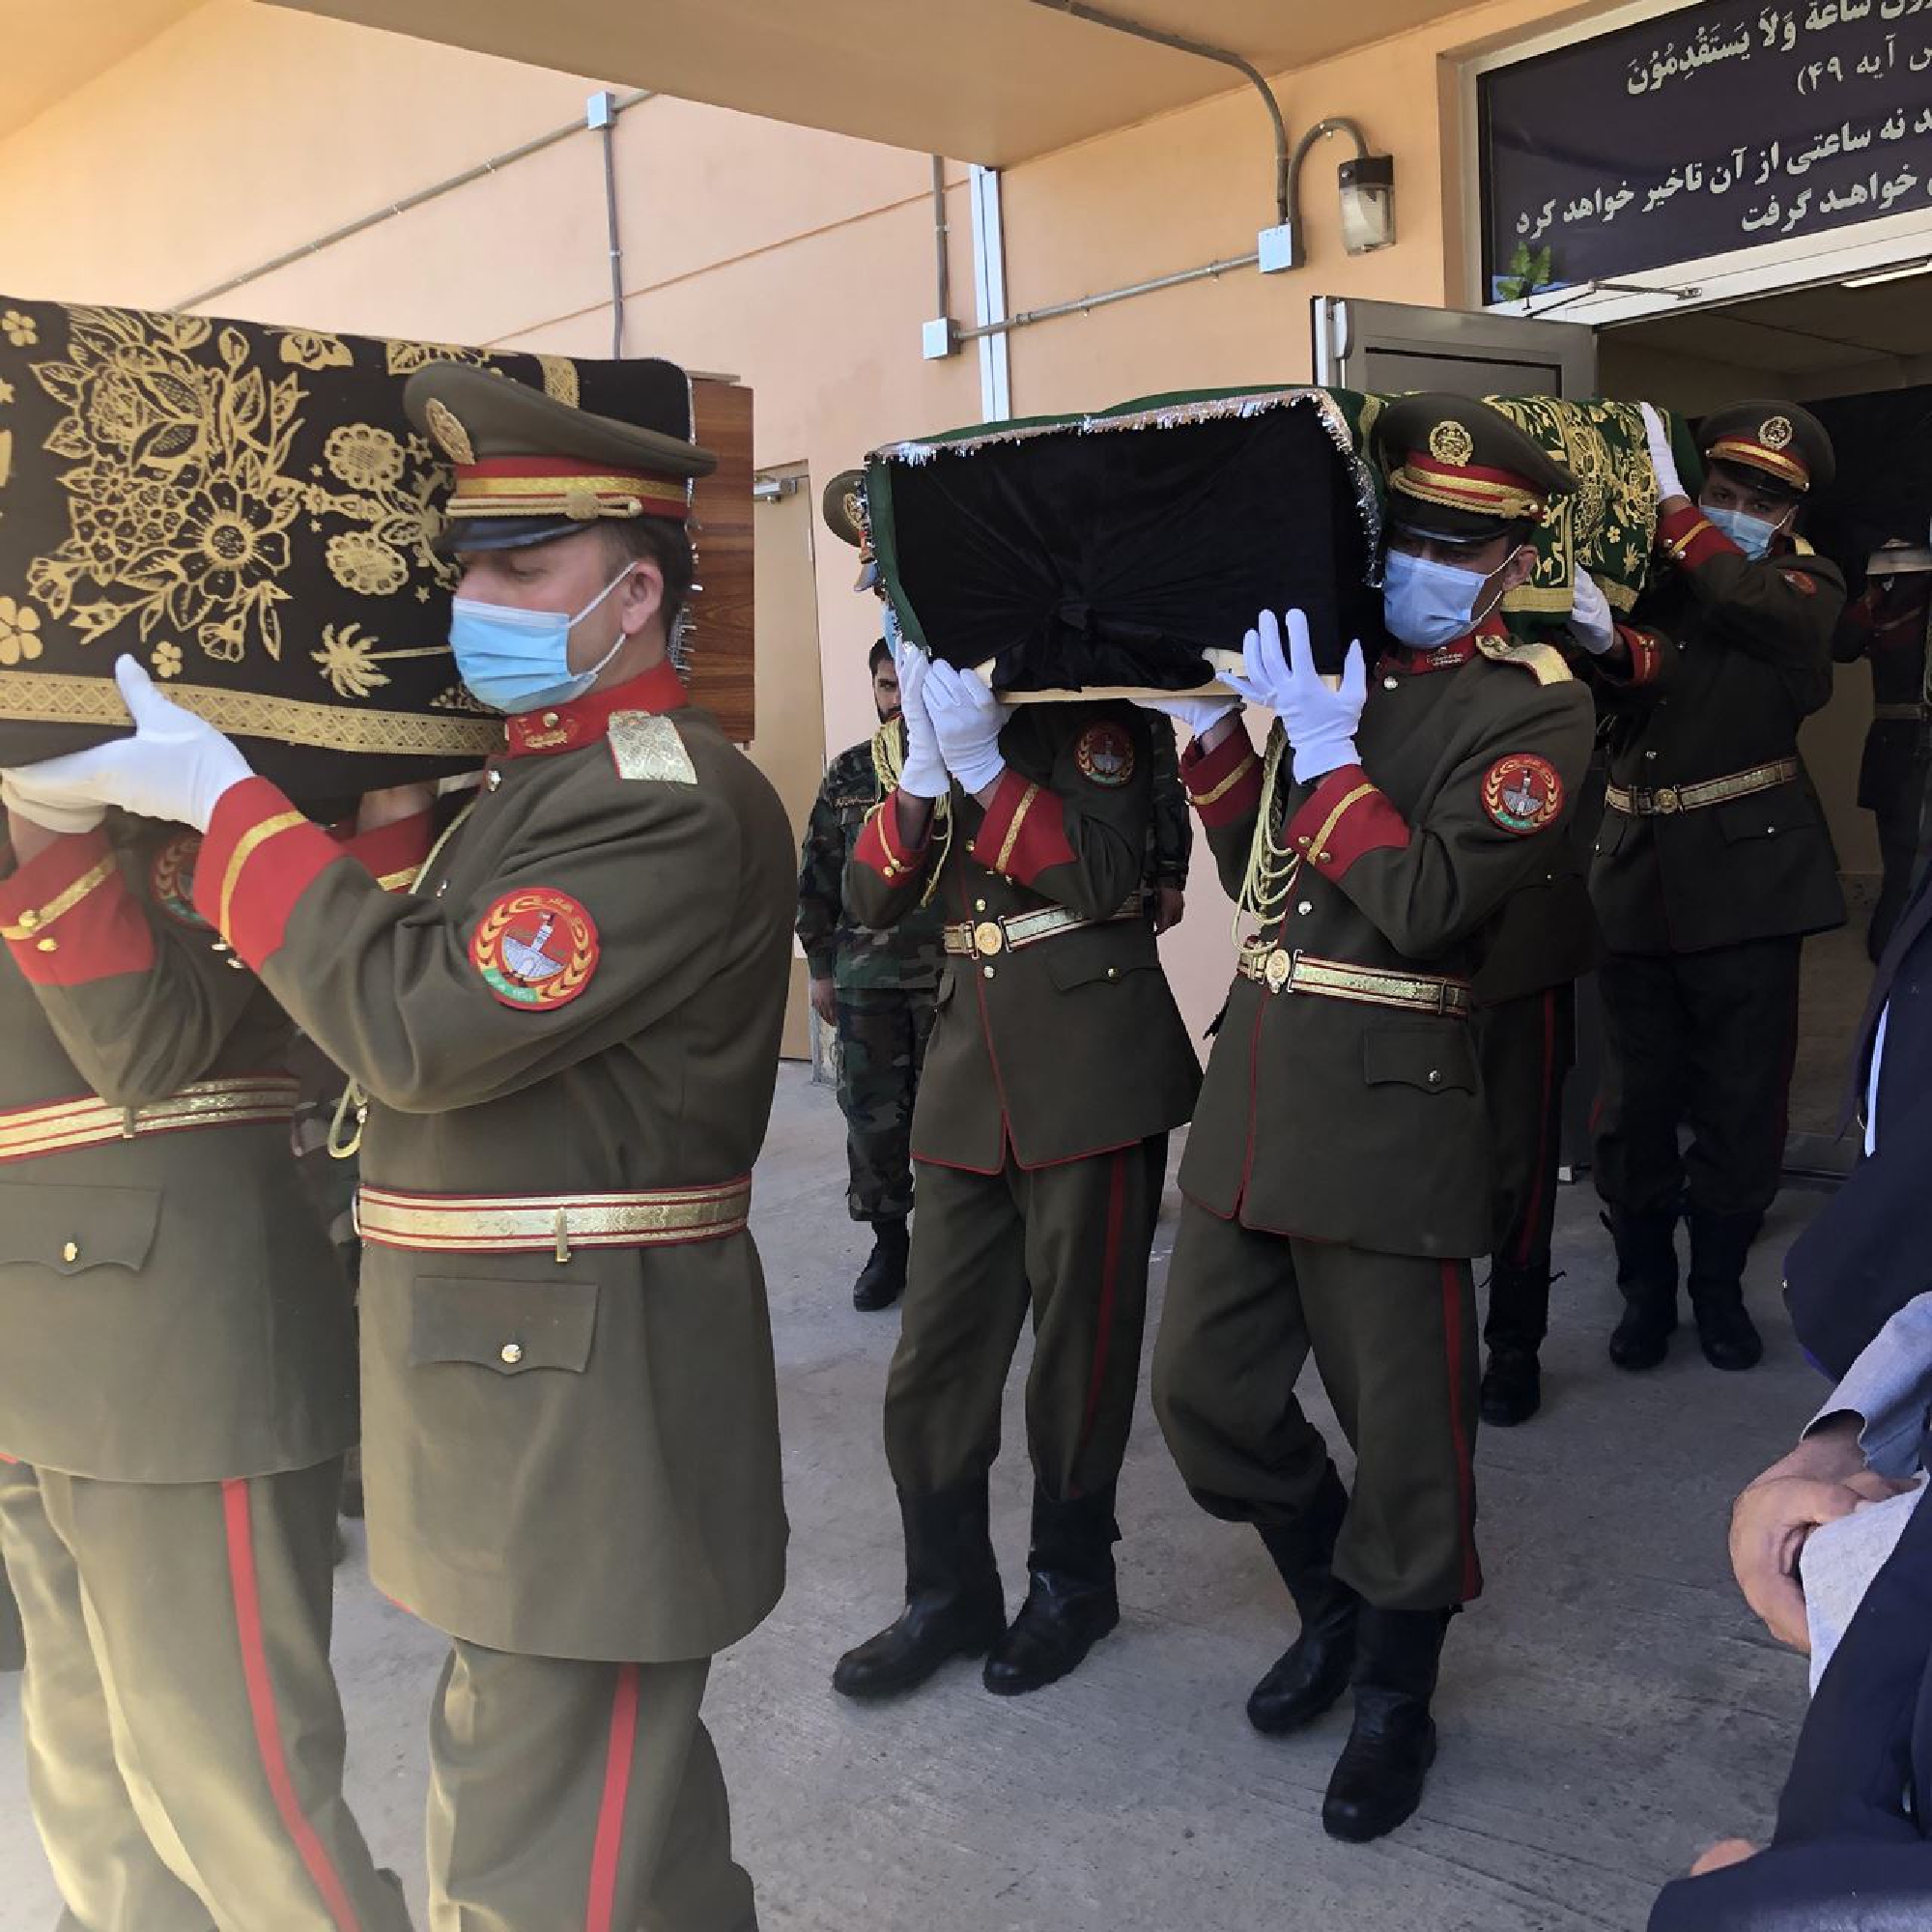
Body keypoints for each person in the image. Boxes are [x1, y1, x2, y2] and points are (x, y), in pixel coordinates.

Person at [13, 360, 793, 1929]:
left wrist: (217, 800)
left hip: (593, 1413)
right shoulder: (523, 799)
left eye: (522, 567)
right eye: (463, 571)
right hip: (510, 1398)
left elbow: (419, 1027)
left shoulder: (663, 798)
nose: (476, 600)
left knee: (525, 1874)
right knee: (624, 1850)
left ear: (635, 593)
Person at [1148, 394, 1595, 1843]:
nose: (1424, 562)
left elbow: (1420, 907)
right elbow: (1268, 881)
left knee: (1410, 1439)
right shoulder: (1331, 671)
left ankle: (1399, 1694)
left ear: (1512, 556)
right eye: (1406, 535)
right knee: (1205, 1397)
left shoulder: (1537, 706)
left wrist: (1329, 752)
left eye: (1458, 543)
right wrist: (1221, 743)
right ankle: (1331, 1596)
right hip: (1260, 1085)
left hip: (1394, 1111)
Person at [0, 778, 417, 1923]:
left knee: (225, 1782)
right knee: (89, 1773)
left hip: (170, 1327)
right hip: (32, 1327)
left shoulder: (190, 797)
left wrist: (51, 821)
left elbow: (141, 1044)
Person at [831, 649, 1200, 1701]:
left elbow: (1097, 873)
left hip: (1090, 1062)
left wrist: (989, 770)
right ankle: (946, 1591)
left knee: (1078, 1347)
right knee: (934, 1350)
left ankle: (1072, 1580)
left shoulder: (1090, 709)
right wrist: (917, 779)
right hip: (964, 1073)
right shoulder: (934, 723)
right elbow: (866, 889)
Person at [1592, 402, 1846, 1378]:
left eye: (1756, 500)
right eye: (1719, 490)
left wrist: (1676, 516)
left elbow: (1755, 605)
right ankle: (1645, 1287)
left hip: (1748, 882)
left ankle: (1715, 1288)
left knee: (1740, 1103)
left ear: (1786, 516)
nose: (1733, 509)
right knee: (1634, 1105)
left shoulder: (1801, 584)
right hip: (1633, 876)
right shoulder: (1652, 581)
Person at [796, 637, 945, 1311]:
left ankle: (959, 1249)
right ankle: (890, 1244)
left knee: (956, 1121)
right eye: (886, 687)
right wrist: (820, 968)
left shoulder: (967, 767)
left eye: (904, 686)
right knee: (874, 1123)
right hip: (868, 983)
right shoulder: (851, 773)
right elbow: (818, 876)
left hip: (955, 982)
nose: (897, 701)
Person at [1833, 544, 1931, 960]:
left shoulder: (1886, 602)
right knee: (1904, 871)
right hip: (1901, 748)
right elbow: (1842, 645)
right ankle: (1894, 963)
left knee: (1904, 869)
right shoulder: (1882, 602)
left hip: (1895, 747)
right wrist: (1873, 595)